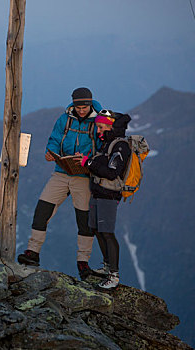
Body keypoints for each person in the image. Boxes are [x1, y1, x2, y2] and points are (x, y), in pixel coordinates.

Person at [17, 87, 101, 280]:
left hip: (84, 176)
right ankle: (32, 252)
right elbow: (54, 139)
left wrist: (87, 158)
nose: (81, 110)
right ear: (73, 104)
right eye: (78, 106)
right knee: (42, 211)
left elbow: (102, 148)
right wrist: (50, 152)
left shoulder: (97, 122)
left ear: (90, 103)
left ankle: (83, 262)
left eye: (85, 106)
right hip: (61, 172)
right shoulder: (64, 119)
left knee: (84, 221)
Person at [74, 109, 131, 290]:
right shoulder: (107, 144)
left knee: (107, 232)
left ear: (110, 126)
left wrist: (88, 163)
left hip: (109, 195)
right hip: (98, 193)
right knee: (97, 230)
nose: (98, 131)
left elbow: (112, 172)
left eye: (100, 127)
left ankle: (113, 276)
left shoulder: (120, 145)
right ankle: (107, 267)